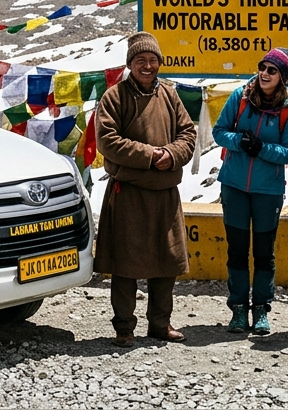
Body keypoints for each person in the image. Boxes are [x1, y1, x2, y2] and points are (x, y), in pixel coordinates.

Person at [95, 32, 198, 347]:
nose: (148, 66)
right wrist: (152, 156)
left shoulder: (169, 94)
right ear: (130, 64)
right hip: (129, 193)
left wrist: (172, 155)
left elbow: (188, 134)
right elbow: (107, 141)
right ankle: (124, 328)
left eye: (153, 60)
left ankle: (160, 324)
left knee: (165, 261)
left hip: (165, 192)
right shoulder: (114, 97)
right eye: (141, 60)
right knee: (126, 264)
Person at [212, 48, 288, 336]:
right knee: (237, 250)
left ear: (282, 76)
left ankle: (261, 309)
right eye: (263, 67)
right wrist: (240, 141)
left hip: (268, 190)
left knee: (264, 252)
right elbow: (219, 131)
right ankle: (238, 309)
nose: (264, 73)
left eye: (272, 70)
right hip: (235, 185)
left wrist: (261, 149)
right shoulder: (240, 96)